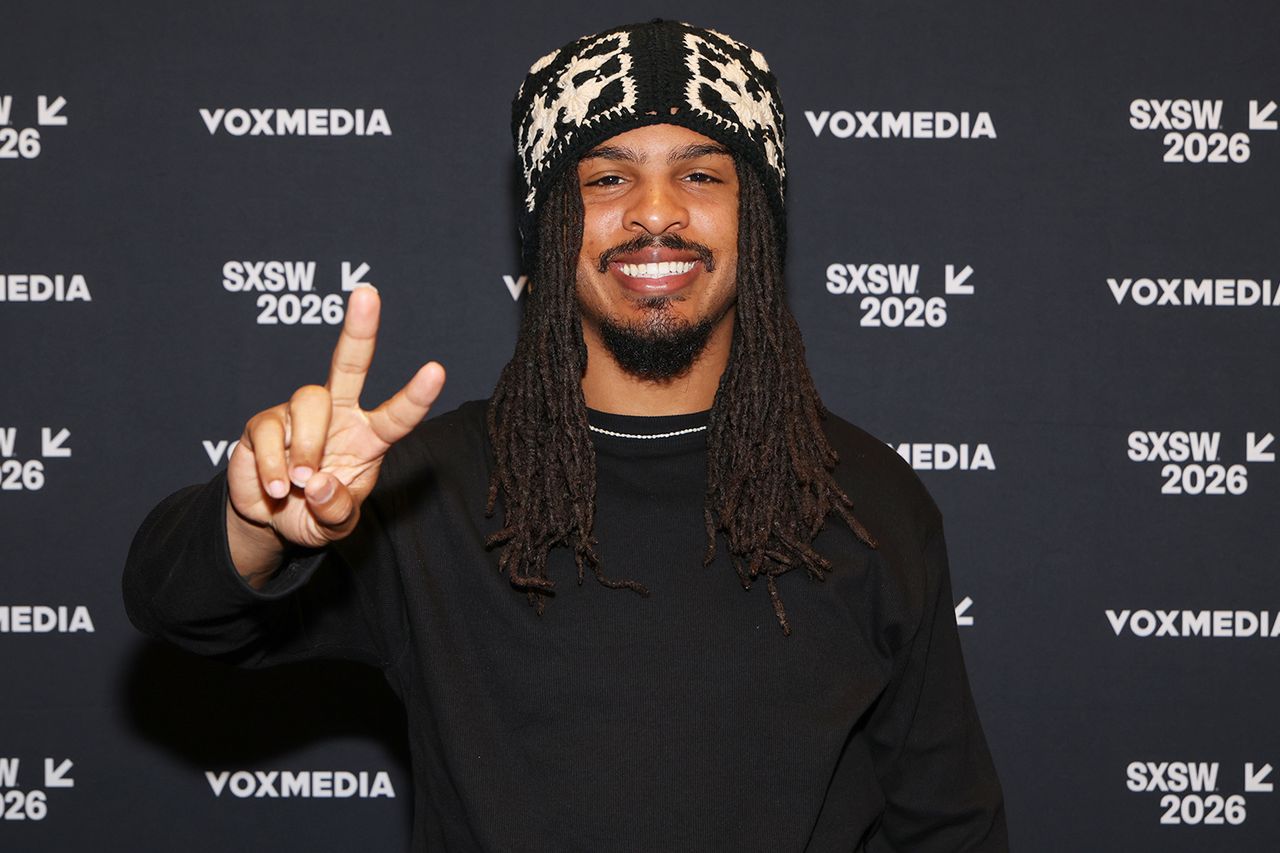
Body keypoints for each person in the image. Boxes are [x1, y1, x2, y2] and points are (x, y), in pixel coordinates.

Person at [124, 19, 1007, 852]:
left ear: (758, 222)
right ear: (548, 228)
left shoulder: (865, 498)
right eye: (606, 176)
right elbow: (174, 607)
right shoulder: (428, 491)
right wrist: (260, 517)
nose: (654, 213)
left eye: (702, 174)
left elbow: (948, 826)